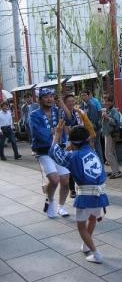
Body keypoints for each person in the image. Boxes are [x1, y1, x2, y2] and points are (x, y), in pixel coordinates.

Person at [49, 123, 109, 263]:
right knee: (93, 218)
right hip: (100, 194)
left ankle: (96, 253)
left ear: (73, 142)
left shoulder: (73, 157)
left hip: (86, 196)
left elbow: (53, 152)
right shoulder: (93, 152)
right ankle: (86, 245)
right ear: (87, 140)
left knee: (81, 227)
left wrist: (57, 134)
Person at [29, 88, 70, 218]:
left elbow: (70, 119)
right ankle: (50, 201)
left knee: (65, 181)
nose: (50, 99)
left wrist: (62, 106)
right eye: (46, 97)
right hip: (44, 151)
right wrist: (54, 131)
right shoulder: (34, 114)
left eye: (52, 96)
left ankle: (61, 206)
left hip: (59, 149)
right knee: (54, 179)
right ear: (40, 99)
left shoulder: (58, 111)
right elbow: (37, 132)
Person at [102, 95, 121, 179]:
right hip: (107, 134)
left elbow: (116, 123)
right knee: (112, 153)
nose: (105, 103)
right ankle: (116, 171)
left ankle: (115, 172)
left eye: (107, 101)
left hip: (111, 134)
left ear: (111, 102)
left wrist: (107, 117)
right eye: (104, 101)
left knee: (108, 154)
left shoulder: (114, 111)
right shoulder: (107, 110)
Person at [81, 89, 103, 163]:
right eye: (82, 95)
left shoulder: (92, 105)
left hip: (93, 130)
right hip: (85, 131)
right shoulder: (81, 106)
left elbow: (94, 121)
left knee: (96, 147)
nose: (83, 97)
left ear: (88, 96)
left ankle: (100, 164)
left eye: (85, 95)